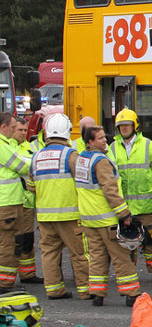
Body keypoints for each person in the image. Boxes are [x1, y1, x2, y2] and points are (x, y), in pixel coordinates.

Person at [74, 125, 142, 307]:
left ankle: (97, 293)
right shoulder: (101, 161)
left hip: (89, 219)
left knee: (97, 256)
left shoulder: (82, 159)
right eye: (101, 138)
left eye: (105, 137)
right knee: (121, 257)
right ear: (90, 141)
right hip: (107, 219)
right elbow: (110, 190)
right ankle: (131, 293)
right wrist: (124, 213)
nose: (105, 140)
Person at [28, 113, 90, 300]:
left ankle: (54, 290)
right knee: (79, 253)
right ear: (67, 132)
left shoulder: (36, 156)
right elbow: (83, 180)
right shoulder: (71, 155)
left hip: (45, 217)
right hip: (70, 215)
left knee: (49, 254)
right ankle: (85, 290)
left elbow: (31, 186)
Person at [108, 108, 152, 282]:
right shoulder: (112, 148)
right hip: (124, 205)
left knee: (150, 240)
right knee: (127, 242)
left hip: (145, 204)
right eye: (121, 125)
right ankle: (130, 273)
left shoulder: (148, 145)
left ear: (135, 126)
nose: (124, 128)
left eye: (127, 125)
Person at [0, 113, 32, 293]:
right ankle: (4, 284)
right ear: (3, 127)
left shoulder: (6, 144)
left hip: (7, 201)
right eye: (13, 128)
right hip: (7, 203)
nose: (15, 131)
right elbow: (21, 166)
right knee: (8, 243)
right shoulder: (2, 145)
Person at [13, 117, 40, 284]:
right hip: (12, 200)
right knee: (13, 240)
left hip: (28, 202)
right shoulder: (9, 148)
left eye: (25, 130)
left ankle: (27, 274)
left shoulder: (29, 148)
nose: (23, 133)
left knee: (27, 239)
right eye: (19, 130)